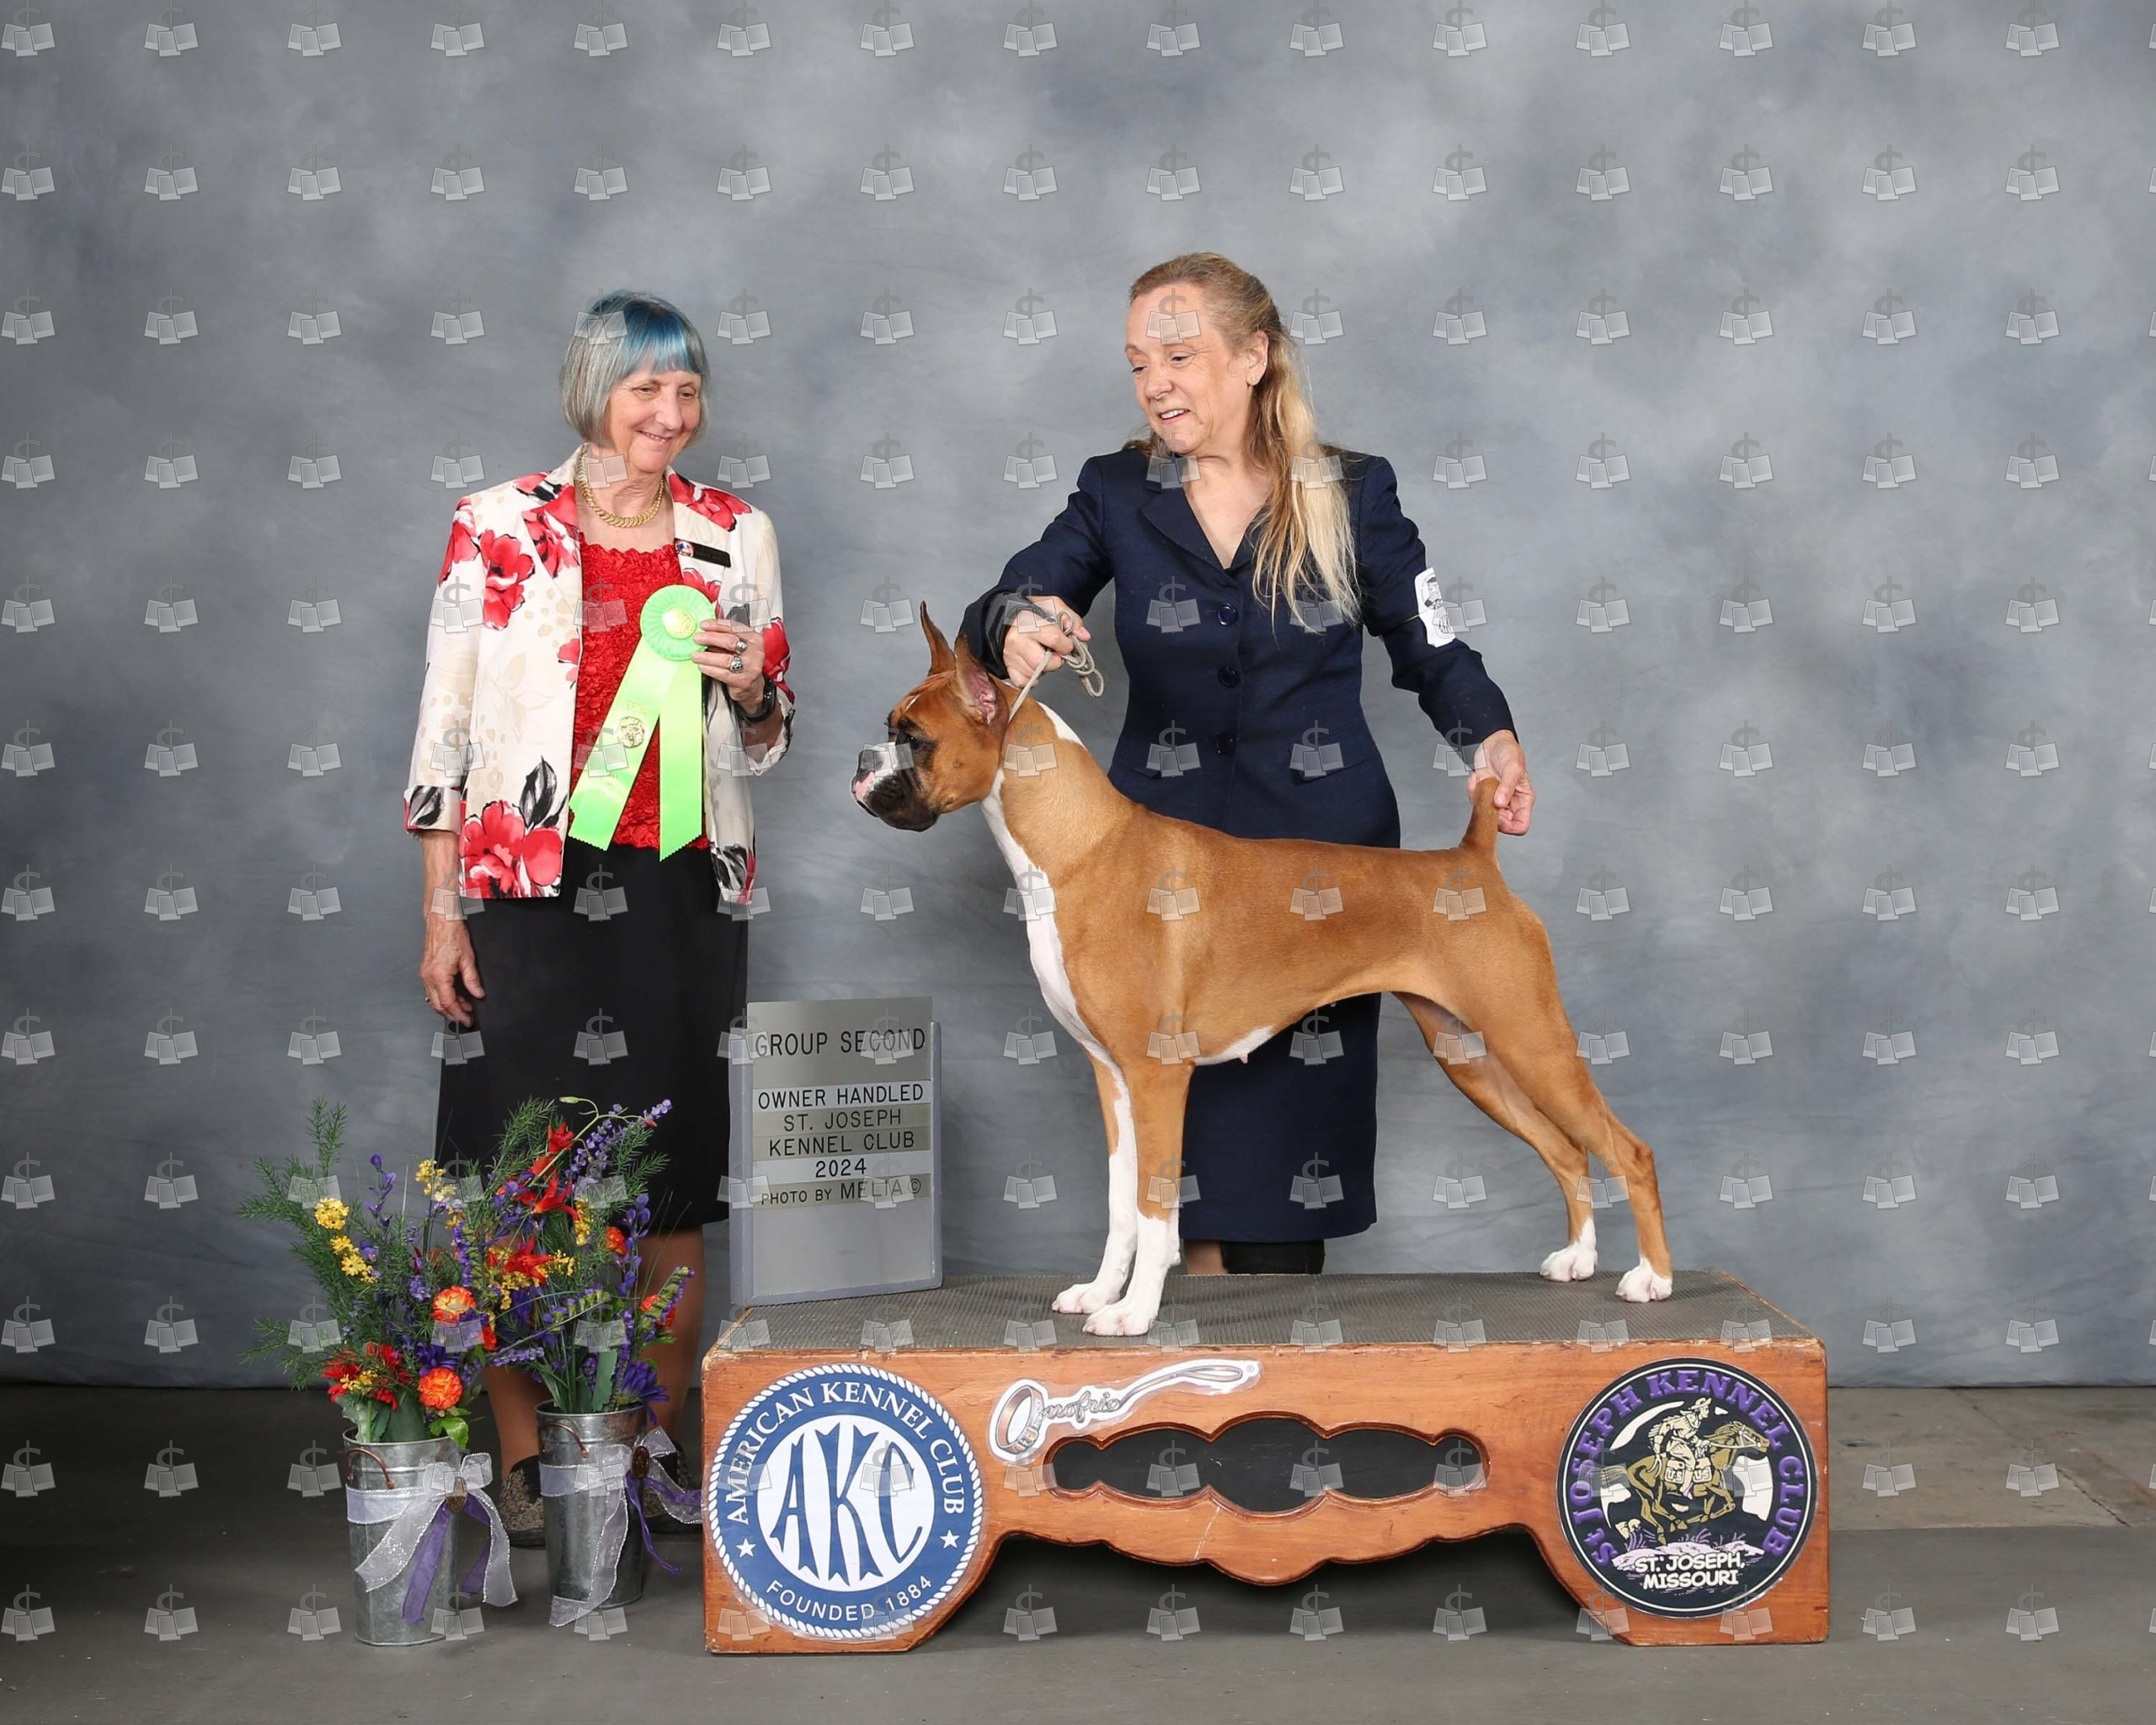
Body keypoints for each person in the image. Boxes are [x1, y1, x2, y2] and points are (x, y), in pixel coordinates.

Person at [959, 252, 1533, 1278]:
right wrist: (1014, 623)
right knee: (1179, 1184)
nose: (1154, 384)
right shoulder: (1115, 491)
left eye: (1178, 356)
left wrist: (1488, 739)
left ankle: (1272, 1372)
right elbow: (1007, 598)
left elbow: (1433, 647)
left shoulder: (1352, 490)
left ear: (1255, 356)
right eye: (1138, 364)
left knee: (1281, 1195)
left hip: (1318, 883)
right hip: (1158, 891)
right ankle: (1186, 1364)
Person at [403, 288, 795, 1541]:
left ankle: (653, 1447)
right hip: (526, 884)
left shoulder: (736, 532)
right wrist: (442, 912)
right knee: (518, 1174)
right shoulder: (496, 526)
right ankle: (528, 1460)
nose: (669, 415)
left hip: (681, 880)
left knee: (669, 1185)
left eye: (687, 392)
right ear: (593, 391)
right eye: (645, 389)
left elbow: (767, 738)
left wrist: (759, 689)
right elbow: (443, 734)